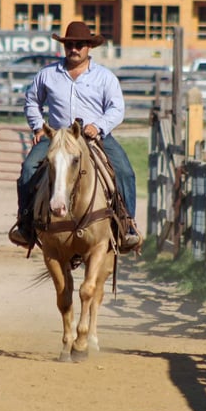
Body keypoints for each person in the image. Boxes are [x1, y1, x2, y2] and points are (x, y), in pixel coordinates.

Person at [8, 21, 141, 252]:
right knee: (29, 168)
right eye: (69, 44)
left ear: (89, 47)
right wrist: (38, 127)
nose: (74, 49)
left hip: (94, 137)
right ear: (64, 46)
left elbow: (116, 108)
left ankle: (127, 225)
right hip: (57, 137)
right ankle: (26, 223)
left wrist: (98, 126)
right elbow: (32, 101)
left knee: (124, 172)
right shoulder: (47, 74)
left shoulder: (104, 77)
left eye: (79, 45)